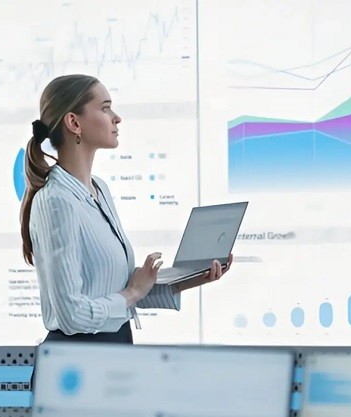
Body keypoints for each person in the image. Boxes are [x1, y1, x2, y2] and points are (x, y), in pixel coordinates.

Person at [20, 74, 231, 344]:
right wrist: (131, 293)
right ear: (74, 123)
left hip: (113, 347)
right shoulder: (56, 201)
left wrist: (189, 278)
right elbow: (72, 314)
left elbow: (118, 292)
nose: (116, 118)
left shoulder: (99, 189)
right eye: (105, 108)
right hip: (76, 361)